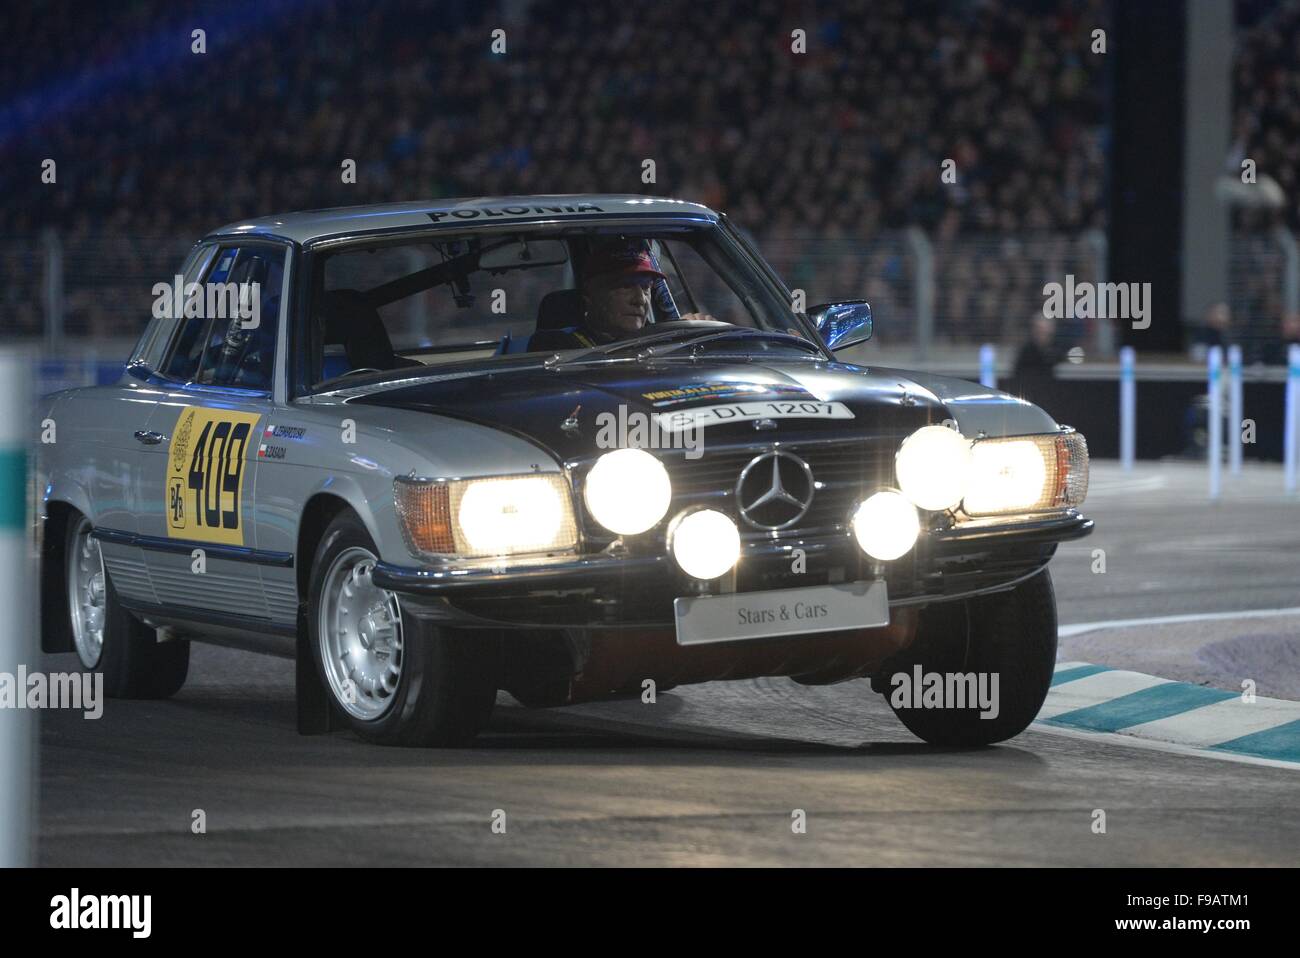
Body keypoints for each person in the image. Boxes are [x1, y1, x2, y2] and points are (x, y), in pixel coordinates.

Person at [529, 239, 713, 350]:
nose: (640, 300)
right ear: (591, 295)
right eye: (625, 286)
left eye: (646, 288)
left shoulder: (666, 340)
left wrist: (689, 337)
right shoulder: (555, 347)